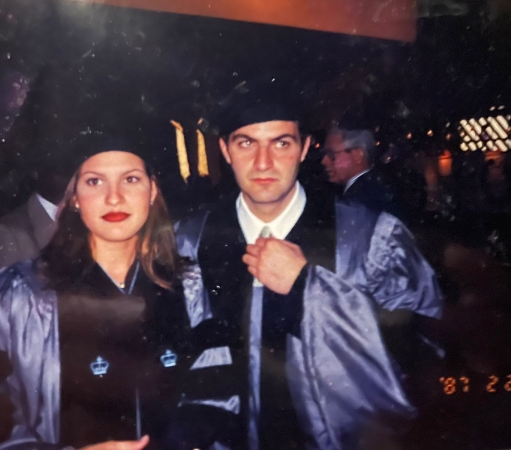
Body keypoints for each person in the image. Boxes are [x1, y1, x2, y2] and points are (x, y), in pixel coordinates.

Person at [173, 92, 443, 450]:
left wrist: (308, 289)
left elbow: (423, 361)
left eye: (281, 143)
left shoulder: (368, 236)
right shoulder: (190, 240)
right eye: (246, 143)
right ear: (225, 151)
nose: (264, 162)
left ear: (304, 149)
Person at [0, 134, 191, 450]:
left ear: (153, 190)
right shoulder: (15, 296)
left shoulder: (188, 287)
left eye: (131, 179)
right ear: (75, 197)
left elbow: (217, 392)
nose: (115, 198)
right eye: (94, 182)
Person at [0, 160, 73, 279]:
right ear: (37, 174)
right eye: (60, 170)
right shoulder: (7, 231)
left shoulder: (85, 222)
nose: (66, 177)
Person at [321, 125, 400, 217]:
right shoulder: (375, 191)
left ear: (358, 155)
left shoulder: (359, 201)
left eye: (331, 154)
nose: (324, 161)